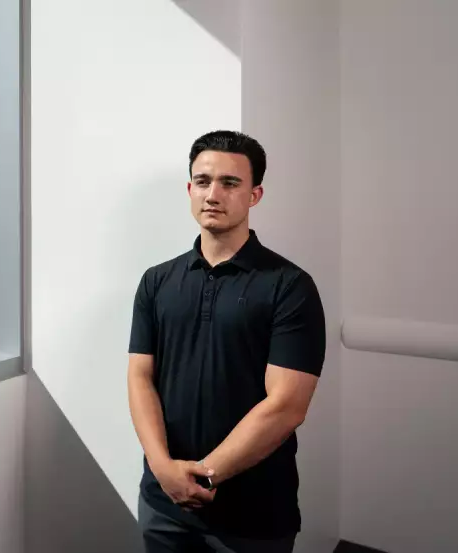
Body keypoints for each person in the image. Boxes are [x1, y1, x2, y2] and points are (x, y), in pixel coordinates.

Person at [128, 130, 326, 553]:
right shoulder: (156, 281)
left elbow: (287, 406)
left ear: (255, 195)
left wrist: (205, 476)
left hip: (253, 513)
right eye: (202, 182)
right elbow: (140, 378)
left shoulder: (290, 287)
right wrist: (164, 471)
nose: (213, 194)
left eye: (230, 183)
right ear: (189, 189)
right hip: (163, 506)